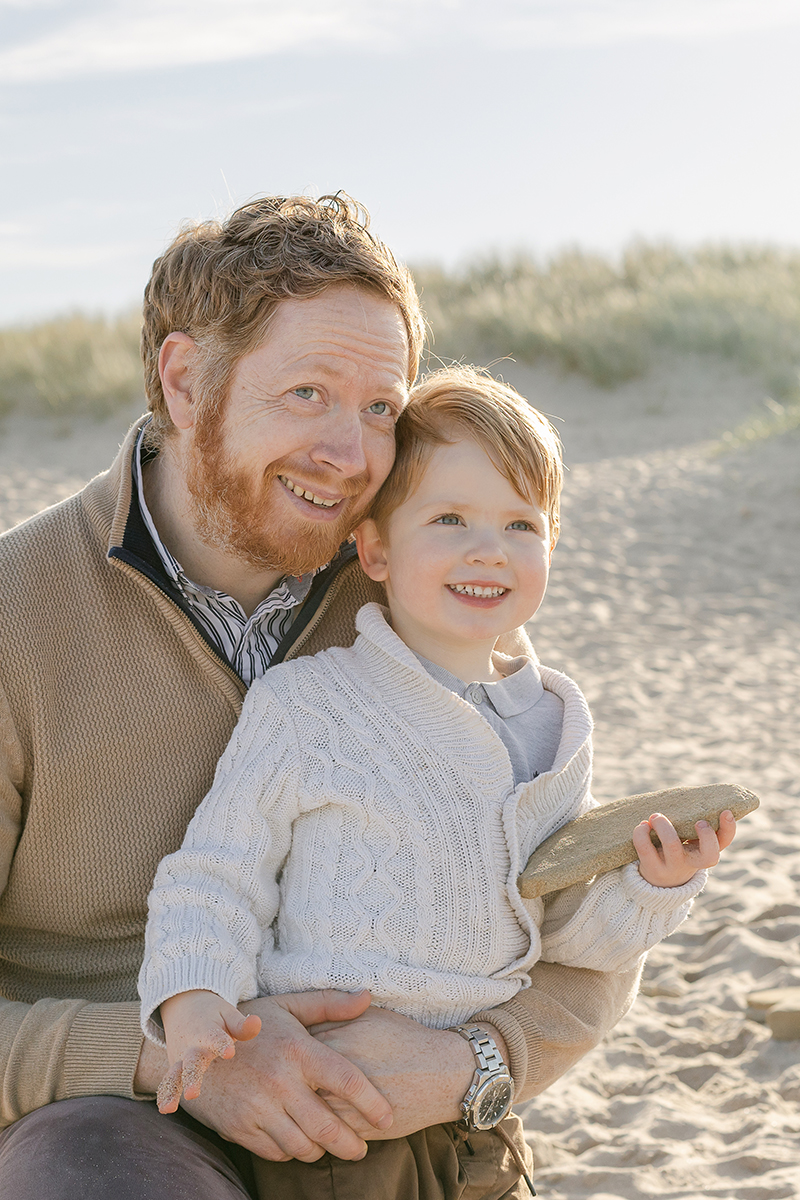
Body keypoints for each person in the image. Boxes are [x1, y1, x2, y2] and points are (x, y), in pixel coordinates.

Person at [0, 195, 644, 1200]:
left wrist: (470, 1064)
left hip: (395, 1125)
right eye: (305, 393)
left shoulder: (412, 580)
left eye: (379, 407)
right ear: (183, 380)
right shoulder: (15, 620)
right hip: (118, 1135)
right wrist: (170, 1056)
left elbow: (565, 934)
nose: (350, 460)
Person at [137, 367, 737, 1197]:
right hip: (327, 1113)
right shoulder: (311, 704)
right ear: (375, 549)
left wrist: (651, 888)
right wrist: (194, 998)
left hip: (472, 1116)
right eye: (449, 519)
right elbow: (216, 872)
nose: (487, 549)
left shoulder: (553, 723)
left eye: (520, 524)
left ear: (550, 546)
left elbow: (562, 932)